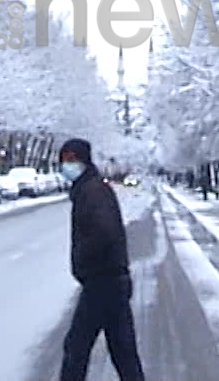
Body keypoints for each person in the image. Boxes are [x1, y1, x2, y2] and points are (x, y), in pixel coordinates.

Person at [58, 137, 146, 381]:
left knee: (76, 346)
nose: (66, 165)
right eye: (64, 160)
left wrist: (84, 259)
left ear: (84, 160)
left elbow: (104, 232)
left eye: (71, 160)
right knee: (123, 351)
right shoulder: (91, 188)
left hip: (102, 281)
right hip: (113, 280)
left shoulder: (92, 191)